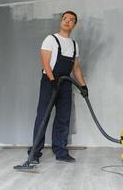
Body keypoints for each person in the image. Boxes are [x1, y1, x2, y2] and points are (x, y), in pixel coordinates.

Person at [28, 10, 88, 164]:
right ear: (61, 21)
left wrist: (83, 86)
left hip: (66, 84)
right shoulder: (51, 39)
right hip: (50, 82)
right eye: (65, 18)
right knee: (43, 116)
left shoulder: (74, 44)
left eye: (72, 19)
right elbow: (45, 62)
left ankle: (61, 151)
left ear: (74, 25)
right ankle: (34, 152)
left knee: (63, 117)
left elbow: (76, 68)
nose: (68, 21)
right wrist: (52, 80)